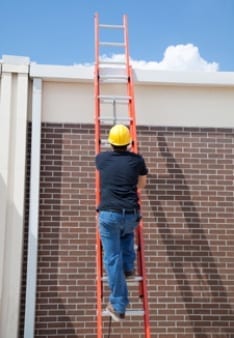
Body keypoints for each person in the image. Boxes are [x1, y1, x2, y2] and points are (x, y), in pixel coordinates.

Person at [95, 124, 148, 322]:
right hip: (130, 214)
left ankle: (118, 305)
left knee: (112, 258)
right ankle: (128, 268)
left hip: (110, 215)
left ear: (110, 142)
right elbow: (141, 184)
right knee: (126, 234)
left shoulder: (101, 159)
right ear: (128, 142)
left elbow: (103, 171)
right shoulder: (137, 161)